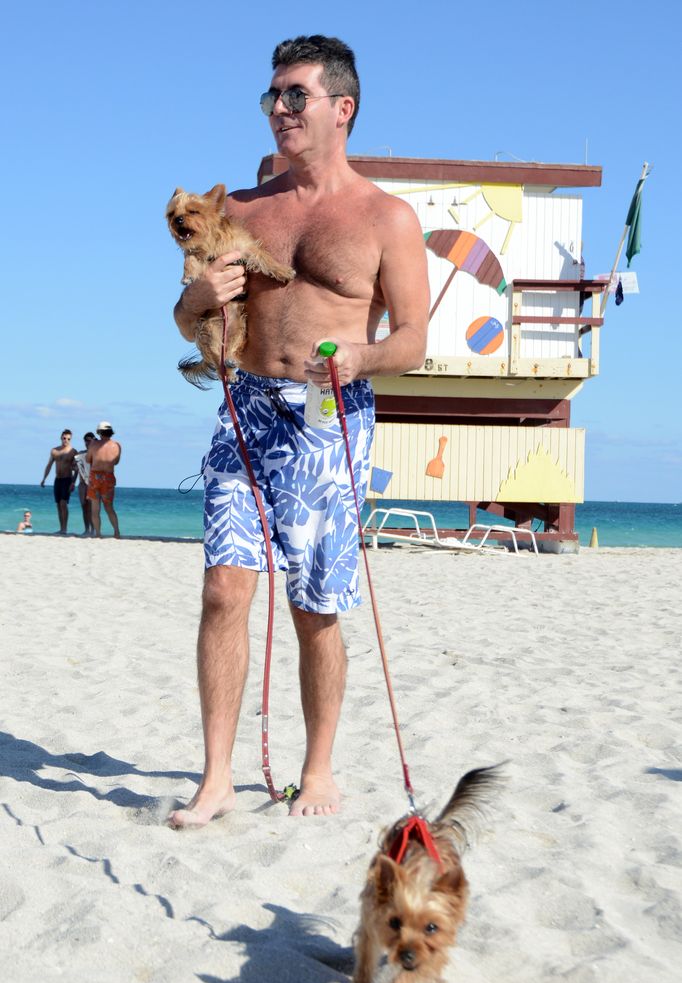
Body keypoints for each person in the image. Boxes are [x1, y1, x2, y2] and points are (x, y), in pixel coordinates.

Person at [169, 34, 429, 827]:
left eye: (294, 96)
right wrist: (197, 300)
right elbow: (187, 318)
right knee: (224, 589)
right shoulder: (242, 209)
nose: (278, 110)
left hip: (328, 417)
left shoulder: (386, 217)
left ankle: (317, 770)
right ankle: (217, 780)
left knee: (315, 605)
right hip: (245, 405)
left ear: (341, 108)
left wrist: (362, 356)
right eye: (271, 97)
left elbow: (413, 341)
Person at [86, 421, 122, 539]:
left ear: (99, 432)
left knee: (95, 509)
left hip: (95, 477)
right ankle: (116, 532)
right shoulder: (117, 445)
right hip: (108, 476)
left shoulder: (93, 444)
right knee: (109, 507)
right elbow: (116, 462)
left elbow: (88, 459)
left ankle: (98, 533)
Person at [40, 429, 78, 534]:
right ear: (61, 437)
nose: (66, 440)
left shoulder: (73, 451)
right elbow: (49, 465)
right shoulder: (54, 451)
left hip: (67, 479)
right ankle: (61, 528)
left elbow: (77, 469)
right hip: (58, 480)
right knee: (58, 505)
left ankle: (65, 528)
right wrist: (44, 479)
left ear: (71, 439)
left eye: (68, 439)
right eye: (64, 438)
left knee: (63, 503)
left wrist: (73, 482)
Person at [75, 432, 96, 536]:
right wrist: (72, 482)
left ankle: (93, 530)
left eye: (89, 440)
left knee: (92, 508)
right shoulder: (80, 453)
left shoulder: (96, 454)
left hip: (92, 484)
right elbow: (76, 469)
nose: (87, 443)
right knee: (84, 507)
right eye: (85, 441)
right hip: (82, 484)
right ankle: (87, 529)